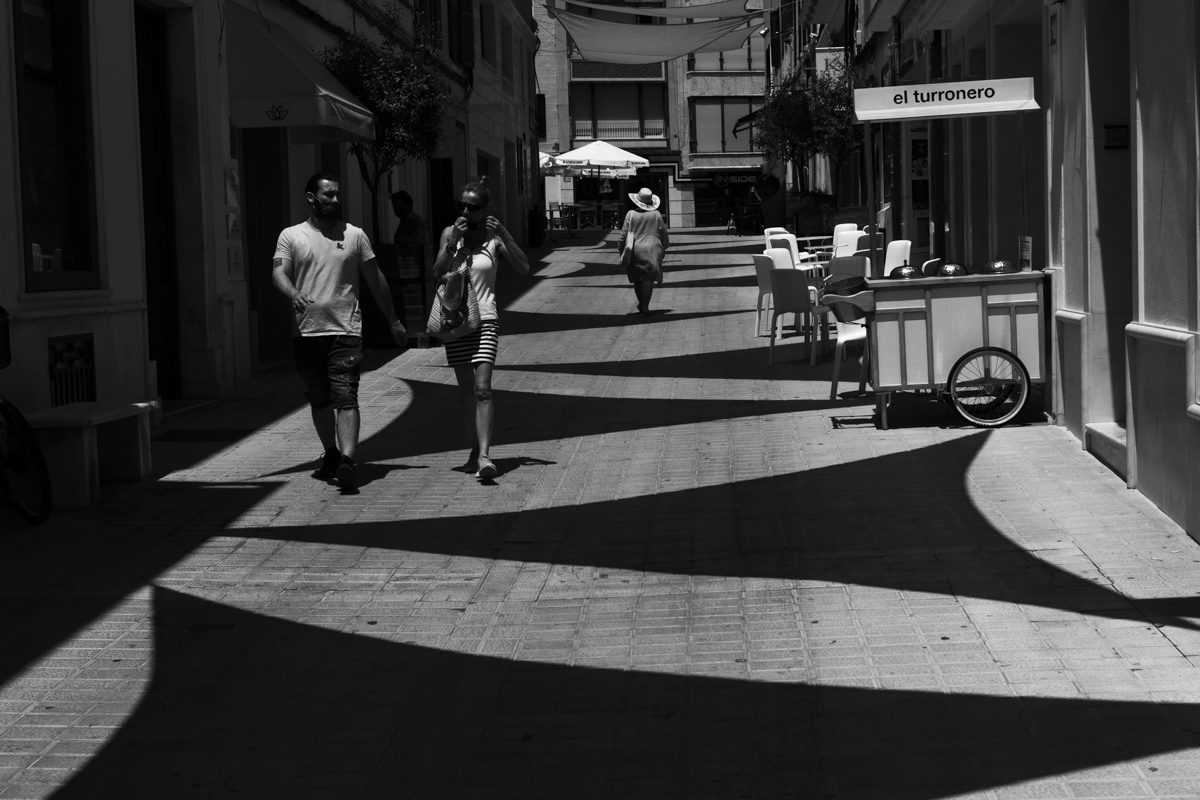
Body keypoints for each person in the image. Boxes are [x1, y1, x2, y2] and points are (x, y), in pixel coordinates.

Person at [272, 173, 407, 491]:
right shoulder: (291, 236)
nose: (334, 200)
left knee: (345, 396)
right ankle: (331, 453)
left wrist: (394, 321)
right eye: (328, 195)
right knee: (319, 398)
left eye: (337, 195)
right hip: (306, 333)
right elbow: (278, 272)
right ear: (311, 197)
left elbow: (376, 279)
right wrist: (293, 293)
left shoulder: (355, 235)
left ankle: (347, 459)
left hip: (346, 330)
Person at [432, 176, 531, 479]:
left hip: (486, 319)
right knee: (466, 392)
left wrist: (505, 234)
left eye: (472, 207)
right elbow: (436, 273)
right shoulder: (450, 233)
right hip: (456, 321)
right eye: (461, 205)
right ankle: (475, 449)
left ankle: (485, 456)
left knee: (482, 388)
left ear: (485, 209)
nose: (465, 211)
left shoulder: (494, 237)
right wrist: (451, 246)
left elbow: (525, 268)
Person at [619, 187, 669, 315]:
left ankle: (641, 304)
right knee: (648, 278)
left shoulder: (631, 214)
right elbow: (663, 231)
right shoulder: (656, 214)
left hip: (635, 248)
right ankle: (645, 306)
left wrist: (620, 248)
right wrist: (664, 246)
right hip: (652, 248)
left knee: (637, 278)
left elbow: (624, 234)